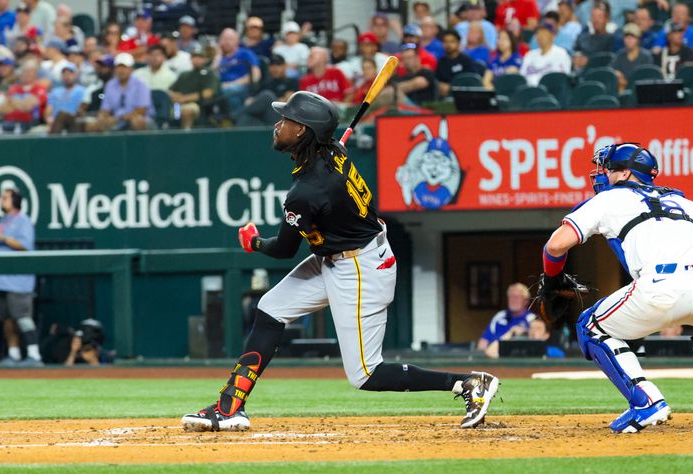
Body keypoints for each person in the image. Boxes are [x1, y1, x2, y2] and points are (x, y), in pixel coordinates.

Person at [181, 91, 500, 432]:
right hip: (337, 256)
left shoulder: (306, 192)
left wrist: (254, 242)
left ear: (303, 131)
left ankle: (467, 382)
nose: (277, 125)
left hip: (360, 266)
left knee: (366, 374)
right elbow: (325, 165)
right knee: (271, 308)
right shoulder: (333, 153)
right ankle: (230, 406)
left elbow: (284, 250)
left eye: (286, 120)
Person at [542, 142, 693, 433]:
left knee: (591, 326)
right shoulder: (688, 203)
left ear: (627, 173)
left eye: (609, 169)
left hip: (659, 287)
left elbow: (555, 245)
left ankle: (646, 401)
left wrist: (552, 278)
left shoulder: (608, 200)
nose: (602, 174)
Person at [0, 187, 42, 366]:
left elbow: (25, 245)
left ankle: (34, 354)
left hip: (18, 281)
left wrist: (1, 237)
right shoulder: (3, 221)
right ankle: (14, 354)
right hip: (0, 280)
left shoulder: (23, 220)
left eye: (5, 198)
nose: (0, 200)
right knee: (8, 319)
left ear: (15, 201)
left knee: (23, 318)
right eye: (0, 197)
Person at [85, 52, 154, 132]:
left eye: (124, 67)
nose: (121, 70)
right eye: (119, 67)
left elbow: (141, 111)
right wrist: (102, 118)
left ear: (131, 69)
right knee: (92, 125)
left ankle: (141, 144)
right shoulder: (110, 85)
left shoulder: (140, 84)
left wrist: (119, 118)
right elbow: (105, 109)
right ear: (115, 69)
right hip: (116, 120)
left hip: (141, 118)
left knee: (136, 121)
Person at [478, 283, 537, 359]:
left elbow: (538, 345)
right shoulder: (499, 316)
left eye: (516, 297)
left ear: (526, 301)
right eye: (511, 297)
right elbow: (483, 342)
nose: (513, 300)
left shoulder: (533, 319)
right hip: (494, 359)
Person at [168, 46, 218, 129]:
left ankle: (187, 136)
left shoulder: (208, 73)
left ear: (205, 59)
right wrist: (174, 95)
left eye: (200, 57)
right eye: (194, 57)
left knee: (187, 110)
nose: (197, 60)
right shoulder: (184, 75)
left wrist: (184, 98)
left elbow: (208, 93)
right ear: (190, 59)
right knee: (171, 114)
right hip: (177, 105)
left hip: (198, 106)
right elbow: (170, 91)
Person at [216, 28, 260, 117]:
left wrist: (232, 84)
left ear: (237, 41)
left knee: (229, 91)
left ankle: (235, 120)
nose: (226, 42)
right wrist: (218, 56)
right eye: (224, 39)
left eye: (230, 39)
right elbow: (212, 75)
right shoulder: (219, 57)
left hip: (243, 87)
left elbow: (256, 76)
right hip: (220, 88)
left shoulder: (245, 53)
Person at [0, 60, 46, 131]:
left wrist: (13, 103)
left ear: (36, 73)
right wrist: (23, 104)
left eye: (30, 71)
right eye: (24, 71)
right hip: (8, 122)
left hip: (28, 123)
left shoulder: (40, 89)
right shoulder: (13, 88)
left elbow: (29, 107)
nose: (26, 74)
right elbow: (3, 110)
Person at [520, 20, 571, 86]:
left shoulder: (561, 54)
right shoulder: (529, 55)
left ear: (552, 36)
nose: (540, 36)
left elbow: (562, 80)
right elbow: (522, 78)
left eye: (544, 33)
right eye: (538, 33)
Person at [435, 29, 483, 97]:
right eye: (445, 42)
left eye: (452, 41)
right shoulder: (441, 62)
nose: (448, 45)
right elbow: (437, 80)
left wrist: (451, 87)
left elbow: (472, 81)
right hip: (446, 97)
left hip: (465, 96)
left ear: (458, 43)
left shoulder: (466, 61)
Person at [44, 61, 84, 133]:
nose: (67, 76)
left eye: (70, 74)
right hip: (55, 122)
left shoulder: (82, 91)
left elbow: (82, 109)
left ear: (75, 75)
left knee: (62, 115)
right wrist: (48, 118)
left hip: (73, 120)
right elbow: (49, 108)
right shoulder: (55, 91)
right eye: (64, 74)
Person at [613, 23, 653, 92]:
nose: (629, 40)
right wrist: (617, 74)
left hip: (641, 91)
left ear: (638, 39)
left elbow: (648, 77)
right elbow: (612, 70)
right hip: (623, 91)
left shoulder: (646, 56)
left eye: (632, 37)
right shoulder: (620, 55)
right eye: (626, 37)